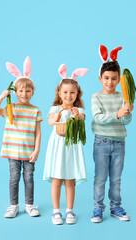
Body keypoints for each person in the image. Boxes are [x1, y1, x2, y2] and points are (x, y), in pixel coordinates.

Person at [0, 57, 43, 218]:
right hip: (13, 151)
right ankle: (13, 206)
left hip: (28, 152)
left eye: (28, 91)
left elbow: (38, 132)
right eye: (20, 90)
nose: (24, 94)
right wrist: (1, 97)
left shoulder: (35, 110)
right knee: (14, 178)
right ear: (15, 92)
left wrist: (37, 150)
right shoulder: (9, 108)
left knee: (29, 178)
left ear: (33, 92)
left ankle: (29, 205)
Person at [91, 45, 134, 223]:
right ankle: (97, 209)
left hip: (119, 143)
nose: (110, 82)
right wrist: (117, 114)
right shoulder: (96, 97)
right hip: (101, 142)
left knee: (116, 178)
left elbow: (126, 122)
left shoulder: (123, 97)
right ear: (100, 78)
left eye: (114, 78)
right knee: (100, 178)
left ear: (119, 80)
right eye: (106, 78)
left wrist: (127, 112)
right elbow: (99, 118)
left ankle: (115, 207)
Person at [43, 64, 88, 225]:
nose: (69, 95)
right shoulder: (55, 108)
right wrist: (54, 119)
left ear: (77, 94)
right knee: (57, 179)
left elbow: (81, 119)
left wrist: (76, 115)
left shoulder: (79, 109)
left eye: (72, 92)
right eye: (65, 92)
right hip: (57, 146)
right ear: (59, 93)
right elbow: (49, 121)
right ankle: (56, 211)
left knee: (69, 180)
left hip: (71, 147)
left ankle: (69, 210)